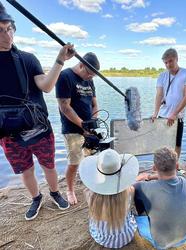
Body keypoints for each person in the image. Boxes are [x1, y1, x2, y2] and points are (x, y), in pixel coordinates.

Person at [0, 2, 74, 220]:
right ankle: (36, 198)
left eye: (9, 28)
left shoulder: (28, 58)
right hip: (9, 133)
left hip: (39, 128)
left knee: (49, 165)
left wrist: (60, 60)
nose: (7, 35)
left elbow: (47, 86)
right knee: (26, 170)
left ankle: (55, 192)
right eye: (0, 30)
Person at [55, 52, 100, 205]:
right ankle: (70, 189)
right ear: (81, 65)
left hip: (89, 129)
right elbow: (64, 107)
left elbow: (94, 104)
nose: (90, 78)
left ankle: (92, 184)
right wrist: (82, 125)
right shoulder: (65, 77)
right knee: (74, 162)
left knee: (92, 159)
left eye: (93, 76)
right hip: (72, 129)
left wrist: (94, 121)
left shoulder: (89, 80)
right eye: (89, 74)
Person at [133, 147, 186, 249]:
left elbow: (131, 186)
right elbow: (175, 174)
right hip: (184, 237)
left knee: (138, 196)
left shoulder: (144, 187)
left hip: (161, 244)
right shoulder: (185, 180)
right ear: (177, 166)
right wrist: (150, 176)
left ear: (154, 168)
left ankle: (144, 225)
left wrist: (139, 178)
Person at [79, 148, 139, 248]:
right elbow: (129, 209)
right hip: (127, 235)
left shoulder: (88, 194)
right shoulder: (130, 190)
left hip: (101, 238)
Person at [151, 48, 186, 158]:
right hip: (163, 115)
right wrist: (155, 112)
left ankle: (175, 165)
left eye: (170, 61)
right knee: (161, 143)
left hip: (177, 117)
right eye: (165, 62)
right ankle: (160, 165)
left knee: (176, 143)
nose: (168, 64)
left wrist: (174, 114)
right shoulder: (162, 76)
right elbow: (159, 95)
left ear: (177, 59)